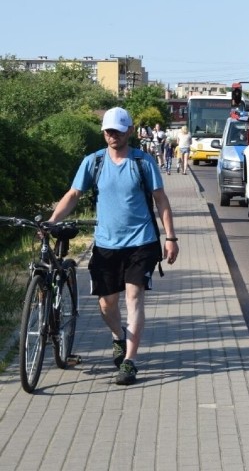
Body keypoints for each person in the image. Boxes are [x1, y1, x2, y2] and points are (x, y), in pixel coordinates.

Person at [48, 107, 179, 385]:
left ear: (129, 131)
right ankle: (119, 336)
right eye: (108, 131)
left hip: (141, 242)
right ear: (104, 132)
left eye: (118, 131)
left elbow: (161, 200)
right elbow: (73, 194)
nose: (113, 136)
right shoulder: (93, 162)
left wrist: (171, 237)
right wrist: (51, 221)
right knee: (107, 305)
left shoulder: (143, 162)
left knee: (134, 298)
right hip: (106, 244)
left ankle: (129, 362)